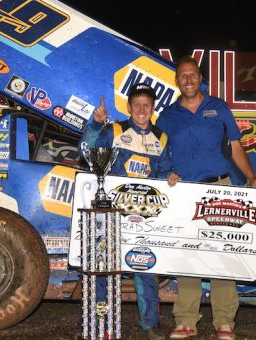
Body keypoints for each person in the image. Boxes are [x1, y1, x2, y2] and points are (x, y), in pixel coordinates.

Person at [155, 56, 256, 340]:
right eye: (183, 76)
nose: (189, 80)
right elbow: (157, 154)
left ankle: (225, 322)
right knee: (187, 257)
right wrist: (167, 172)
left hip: (221, 188)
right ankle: (186, 321)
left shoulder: (218, 108)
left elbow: (235, 146)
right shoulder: (167, 116)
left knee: (222, 254)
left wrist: (252, 178)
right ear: (177, 80)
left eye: (193, 75)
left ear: (200, 77)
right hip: (185, 193)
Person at [78, 83, 173, 340]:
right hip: (110, 213)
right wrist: (96, 126)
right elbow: (86, 153)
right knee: (103, 269)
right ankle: (99, 325)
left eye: (147, 105)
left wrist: (171, 177)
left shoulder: (162, 138)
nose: (142, 109)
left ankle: (150, 324)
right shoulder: (115, 130)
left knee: (146, 269)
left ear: (153, 108)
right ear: (129, 106)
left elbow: (164, 173)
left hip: (144, 216)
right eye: (137, 104)